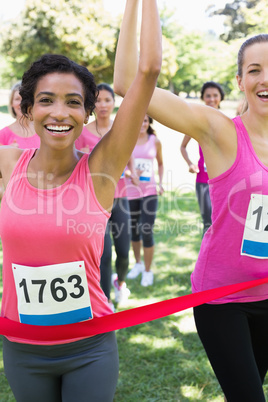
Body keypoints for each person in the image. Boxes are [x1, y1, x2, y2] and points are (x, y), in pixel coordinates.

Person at [0, 0, 162, 400]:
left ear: (88, 113)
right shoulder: (7, 162)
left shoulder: (101, 170)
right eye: (47, 100)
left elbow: (148, 70)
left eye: (74, 101)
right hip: (22, 348)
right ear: (28, 107)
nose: (60, 112)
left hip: (89, 348)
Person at [114, 3, 268, 400]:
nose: (265, 79)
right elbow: (128, 81)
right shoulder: (218, 130)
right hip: (223, 298)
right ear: (239, 81)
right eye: (255, 70)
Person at [76, 83, 138, 308]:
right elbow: (77, 164)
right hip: (94, 201)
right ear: (92, 104)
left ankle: (120, 283)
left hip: (120, 198)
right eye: (98, 100)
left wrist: (131, 173)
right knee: (103, 255)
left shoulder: (121, 129)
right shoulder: (83, 134)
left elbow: (127, 157)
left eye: (107, 100)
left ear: (114, 103)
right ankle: (105, 300)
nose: (102, 105)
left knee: (123, 250)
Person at [180, 81, 225, 236]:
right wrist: (190, 164)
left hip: (225, 180)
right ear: (203, 98)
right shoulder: (197, 123)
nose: (211, 99)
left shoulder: (230, 122)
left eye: (215, 95)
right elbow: (183, 146)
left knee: (225, 222)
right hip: (203, 181)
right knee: (208, 223)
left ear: (221, 97)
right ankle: (210, 258)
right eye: (208, 96)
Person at [126, 114, 164, 287]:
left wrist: (161, 183)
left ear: (149, 123)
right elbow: (121, 164)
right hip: (130, 192)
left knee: (146, 230)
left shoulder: (154, 141)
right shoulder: (128, 139)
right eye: (139, 120)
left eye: (145, 120)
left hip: (149, 192)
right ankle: (138, 264)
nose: (142, 123)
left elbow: (161, 163)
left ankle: (148, 271)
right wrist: (130, 174)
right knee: (134, 231)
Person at [0, 81, 40, 148]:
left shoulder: (42, 129)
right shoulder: (3, 135)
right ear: (11, 103)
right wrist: (7, 153)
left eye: (25, 99)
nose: (22, 103)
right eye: (17, 99)